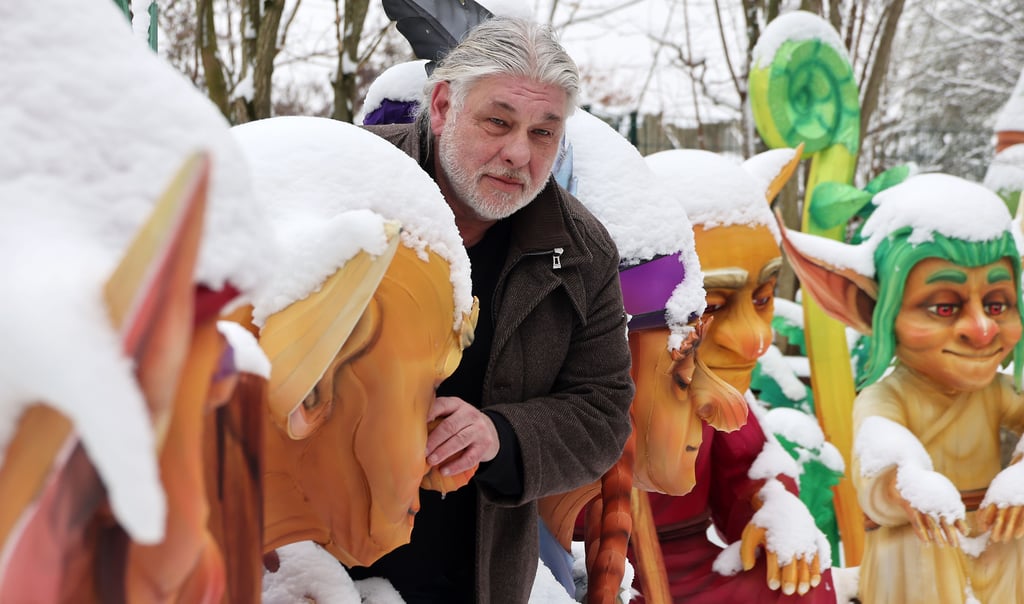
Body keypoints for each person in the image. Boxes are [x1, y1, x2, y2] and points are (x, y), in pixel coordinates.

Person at [354, 16, 636, 604]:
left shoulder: (582, 254)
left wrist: (500, 435)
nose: (517, 154)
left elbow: (604, 412)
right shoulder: (349, 188)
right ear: (440, 106)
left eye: (543, 133)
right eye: (498, 122)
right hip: (313, 564)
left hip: (472, 573)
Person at [781, 172, 1024, 604]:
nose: (983, 329)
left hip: (996, 553)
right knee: (920, 550)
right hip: (918, 558)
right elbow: (882, 454)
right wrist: (908, 486)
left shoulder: (997, 393)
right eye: (944, 307)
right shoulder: (887, 396)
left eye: (997, 304)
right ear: (878, 312)